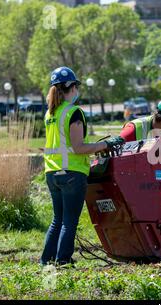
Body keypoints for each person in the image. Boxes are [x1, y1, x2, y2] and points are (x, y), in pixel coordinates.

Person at [41, 66, 124, 266]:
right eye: (76, 86)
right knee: (69, 222)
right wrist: (106, 144)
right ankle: (63, 261)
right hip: (71, 173)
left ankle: (46, 261)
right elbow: (78, 148)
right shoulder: (74, 112)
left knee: (57, 220)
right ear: (71, 87)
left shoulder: (50, 114)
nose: (78, 90)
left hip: (52, 173)